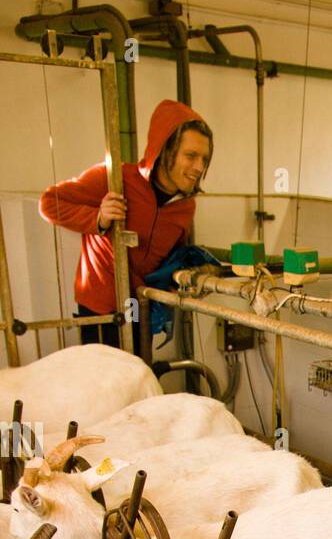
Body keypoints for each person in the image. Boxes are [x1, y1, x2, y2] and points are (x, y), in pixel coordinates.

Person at [39, 100, 213, 351]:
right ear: (165, 150)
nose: (199, 167)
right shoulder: (113, 179)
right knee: (105, 383)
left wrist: (177, 281)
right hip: (101, 308)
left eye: (204, 158)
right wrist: (98, 219)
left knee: (138, 377)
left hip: (141, 307)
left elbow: (172, 256)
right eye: (191, 156)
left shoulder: (186, 206)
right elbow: (48, 204)